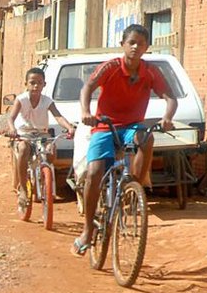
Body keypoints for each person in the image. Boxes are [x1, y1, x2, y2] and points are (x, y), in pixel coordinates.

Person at [72, 24, 176, 255]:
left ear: (147, 47)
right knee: (94, 172)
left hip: (132, 126)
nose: (136, 47)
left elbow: (170, 98)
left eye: (141, 43)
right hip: (104, 125)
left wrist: (168, 117)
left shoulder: (150, 72)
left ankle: (134, 187)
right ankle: (88, 229)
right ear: (123, 44)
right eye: (132, 42)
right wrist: (85, 111)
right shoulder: (110, 67)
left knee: (146, 138)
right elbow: (88, 87)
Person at [6, 66, 75, 211]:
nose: (36, 86)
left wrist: (69, 127)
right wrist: (12, 129)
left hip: (41, 134)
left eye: (39, 82)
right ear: (26, 84)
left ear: (44, 84)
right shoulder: (21, 99)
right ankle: (24, 189)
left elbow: (58, 116)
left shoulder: (47, 101)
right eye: (32, 82)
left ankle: (45, 182)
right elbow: (11, 117)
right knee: (24, 149)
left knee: (51, 150)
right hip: (23, 134)